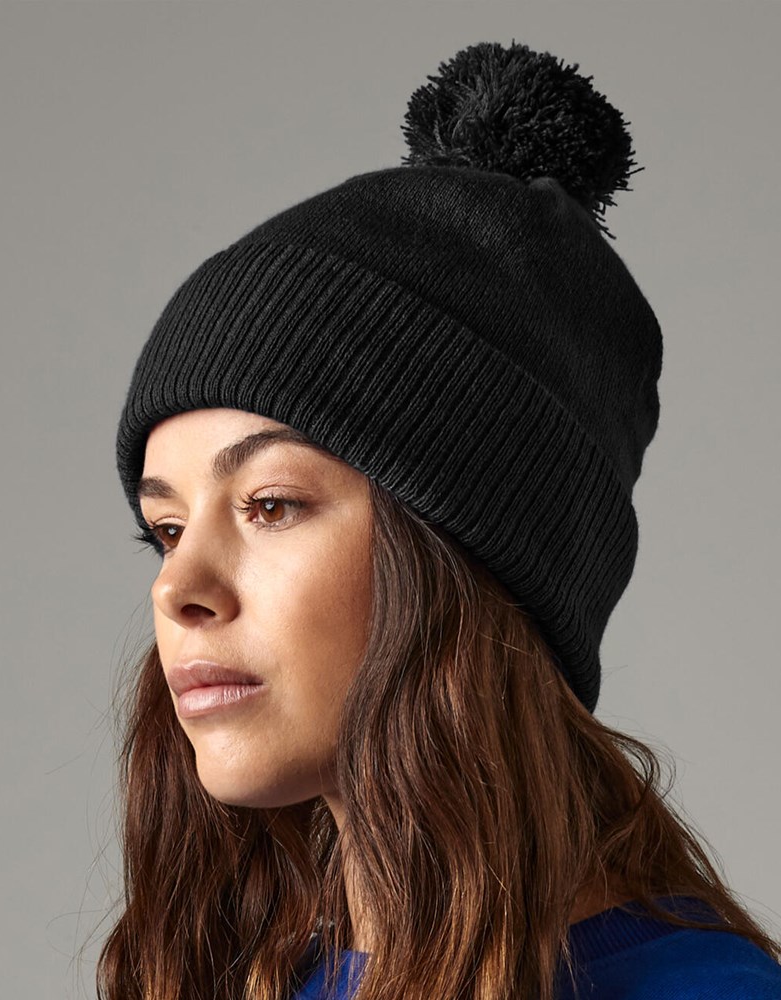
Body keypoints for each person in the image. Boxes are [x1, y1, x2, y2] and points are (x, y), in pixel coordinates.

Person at [102, 39, 781, 1000]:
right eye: (166, 530)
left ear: (470, 557)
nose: (178, 589)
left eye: (270, 505)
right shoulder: (249, 976)